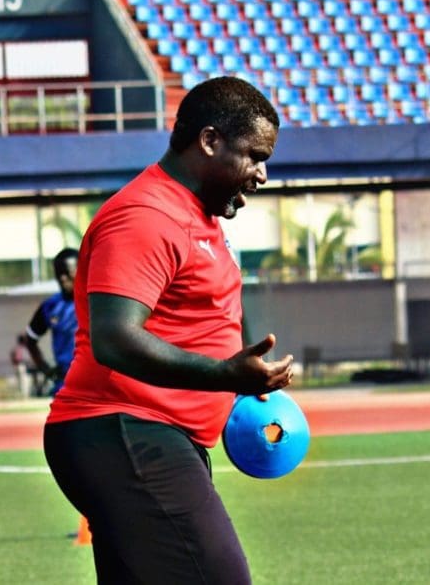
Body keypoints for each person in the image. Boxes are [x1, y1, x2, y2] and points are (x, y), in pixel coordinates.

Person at [43, 76, 294, 584]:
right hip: (123, 430)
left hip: (150, 435)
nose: (262, 174)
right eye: (255, 156)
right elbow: (116, 338)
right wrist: (225, 375)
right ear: (209, 141)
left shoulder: (198, 216)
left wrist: (237, 388)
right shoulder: (145, 216)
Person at [21, 247, 78, 396]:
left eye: (67, 272)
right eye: (58, 273)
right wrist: (45, 369)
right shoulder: (50, 306)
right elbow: (30, 339)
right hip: (65, 384)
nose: (62, 278)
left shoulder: (99, 302)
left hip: (97, 385)